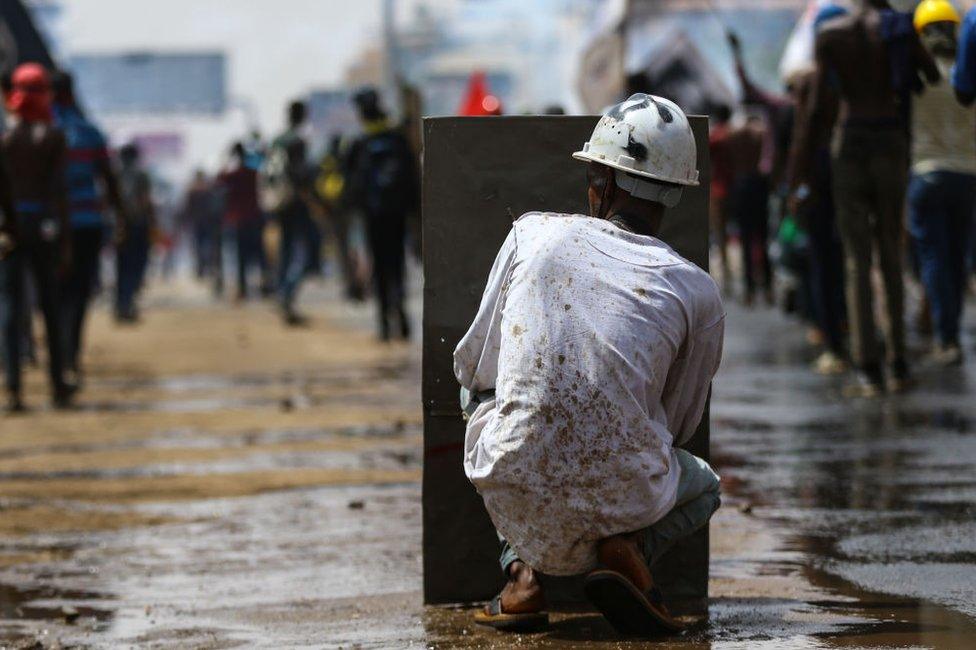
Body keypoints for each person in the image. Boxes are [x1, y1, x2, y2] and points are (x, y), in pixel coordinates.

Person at [455, 95, 724, 636]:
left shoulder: (530, 233)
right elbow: (680, 423)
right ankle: (628, 547)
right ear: (674, 192)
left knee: (477, 394)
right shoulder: (696, 291)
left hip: (513, 475)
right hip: (627, 489)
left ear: (600, 179)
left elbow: (474, 365)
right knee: (707, 484)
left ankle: (521, 573)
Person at [794, 0, 939, 396]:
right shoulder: (898, 28)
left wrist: (798, 175)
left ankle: (867, 369)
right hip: (890, 139)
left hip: (850, 140)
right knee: (890, 251)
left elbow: (815, 109)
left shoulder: (831, 34)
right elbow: (929, 74)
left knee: (857, 260)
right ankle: (898, 363)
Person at [0, 63, 72, 410]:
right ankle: (58, 383)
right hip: (44, 227)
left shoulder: (7, 139)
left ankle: (13, 387)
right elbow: (59, 193)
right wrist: (66, 238)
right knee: (49, 306)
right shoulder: (53, 138)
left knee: (11, 308)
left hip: (12, 230)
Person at [908, 0, 974, 366]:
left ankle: (945, 337)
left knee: (934, 257)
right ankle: (950, 331)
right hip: (967, 176)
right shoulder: (968, 75)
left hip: (927, 174)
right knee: (957, 257)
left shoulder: (916, 77)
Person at [50, 70, 125, 387]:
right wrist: (120, 215)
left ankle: (59, 357)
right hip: (86, 224)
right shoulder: (90, 133)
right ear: (72, 93)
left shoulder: (40, 130)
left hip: (49, 227)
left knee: (53, 294)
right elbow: (109, 180)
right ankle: (70, 356)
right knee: (79, 293)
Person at [787, 6, 849, 376]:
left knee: (823, 260)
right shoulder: (864, 70)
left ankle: (833, 342)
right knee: (854, 259)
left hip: (823, 179)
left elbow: (804, 136)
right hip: (857, 173)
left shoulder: (814, 78)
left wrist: (796, 186)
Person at [344, 88, 419, 340]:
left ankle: (384, 323)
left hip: (372, 214)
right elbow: (412, 178)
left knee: (380, 264)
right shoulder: (397, 138)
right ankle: (402, 315)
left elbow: (349, 183)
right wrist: (415, 211)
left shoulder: (359, 143)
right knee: (397, 263)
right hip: (397, 213)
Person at [262, 100, 314, 325]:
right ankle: (287, 293)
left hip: (278, 202)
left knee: (285, 248)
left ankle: (282, 293)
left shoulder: (276, 140)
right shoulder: (297, 142)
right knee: (306, 251)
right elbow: (300, 174)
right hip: (296, 202)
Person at [727, 112, 773, 305]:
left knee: (746, 240)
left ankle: (750, 291)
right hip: (758, 184)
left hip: (741, 184)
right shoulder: (760, 133)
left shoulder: (735, 134)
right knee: (762, 238)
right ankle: (768, 289)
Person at [217, 142, 264, 301]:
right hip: (254, 218)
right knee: (257, 254)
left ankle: (243, 289)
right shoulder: (254, 173)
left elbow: (219, 178)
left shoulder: (234, 175)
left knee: (241, 256)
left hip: (238, 220)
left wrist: (226, 159)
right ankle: (263, 285)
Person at [115, 143, 155, 323]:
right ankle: (127, 304)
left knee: (122, 267)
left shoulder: (115, 174)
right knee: (135, 266)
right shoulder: (141, 175)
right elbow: (146, 201)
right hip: (137, 226)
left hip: (121, 227)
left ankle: (121, 305)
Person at [708, 105, 734, 290]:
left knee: (720, 233)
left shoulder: (716, 136)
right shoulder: (735, 134)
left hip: (718, 189)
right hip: (735, 187)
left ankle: (725, 276)